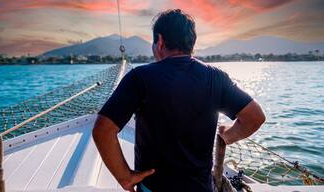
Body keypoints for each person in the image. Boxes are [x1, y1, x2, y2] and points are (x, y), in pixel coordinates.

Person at [92, 9, 265, 192]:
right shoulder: (217, 78)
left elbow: (103, 131)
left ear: (159, 41)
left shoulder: (139, 78)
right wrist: (227, 136)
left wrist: (125, 177)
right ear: (192, 43)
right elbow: (255, 117)